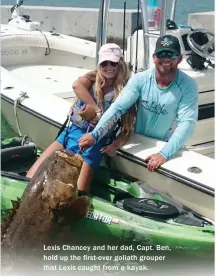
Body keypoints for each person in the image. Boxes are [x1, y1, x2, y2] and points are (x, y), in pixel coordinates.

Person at [79, 35, 199, 172]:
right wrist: (95, 135)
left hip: (165, 144)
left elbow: (187, 124)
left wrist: (164, 154)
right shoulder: (140, 79)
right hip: (138, 138)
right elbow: (118, 108)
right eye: (161, 54)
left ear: (179, 59)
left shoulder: (188, 86)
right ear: (154, 58)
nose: (166, 59)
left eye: (171, 55)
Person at [26, 43, 136, 192]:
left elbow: (127, 129)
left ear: (120, 64)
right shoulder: (91, 79)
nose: (108, 67)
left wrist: (115, 145)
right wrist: (95, 108)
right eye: (104, 63)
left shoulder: (125, 92)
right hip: (71, 134)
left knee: (80, 189)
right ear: (99, 64)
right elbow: (76, 85)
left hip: (95, 143)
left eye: (113, 63)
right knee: (31, 175)